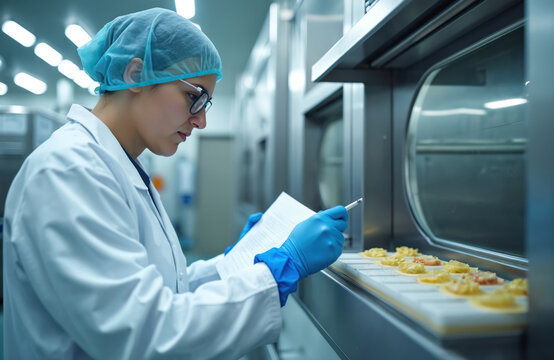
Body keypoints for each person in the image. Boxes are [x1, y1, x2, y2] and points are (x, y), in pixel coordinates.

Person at [2, 8, 348, 360]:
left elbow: (164, 291)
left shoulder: (118, 166)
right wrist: (277, 271)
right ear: (135, 73)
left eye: (207, 103)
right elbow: (144, 334)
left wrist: (234, 265)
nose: (201, 121)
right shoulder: (68, 172)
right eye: (194, 96)